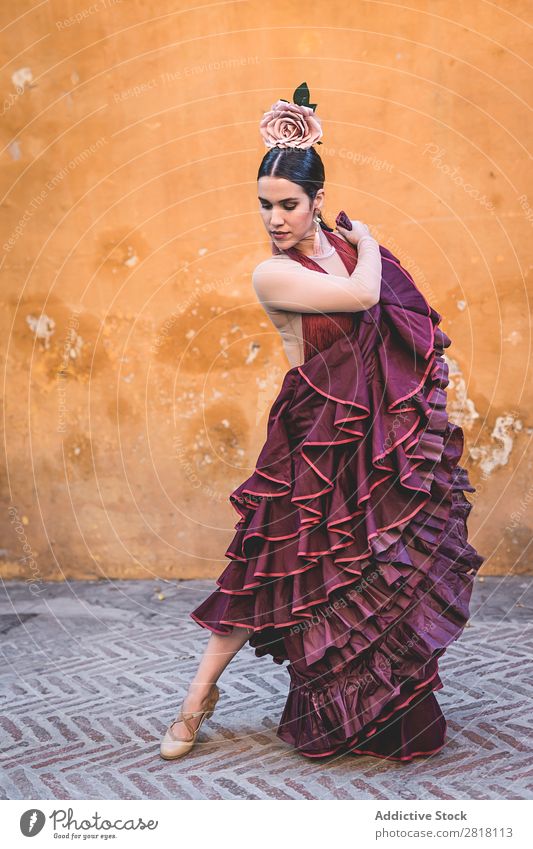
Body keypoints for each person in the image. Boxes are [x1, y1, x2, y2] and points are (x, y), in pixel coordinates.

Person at [160, 83, 485, 762]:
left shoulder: (345, 251)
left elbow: (409, 321)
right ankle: (195, 702)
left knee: (378, 565)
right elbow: (365, 293)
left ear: (314, 200)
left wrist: (359, 244)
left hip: (370, 437)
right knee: (265, 567)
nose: (273, 219)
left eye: (286, 204)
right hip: (312, 439)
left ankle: (374, 696)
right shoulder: (273, 274)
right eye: (263, 205)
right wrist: (365, 236)